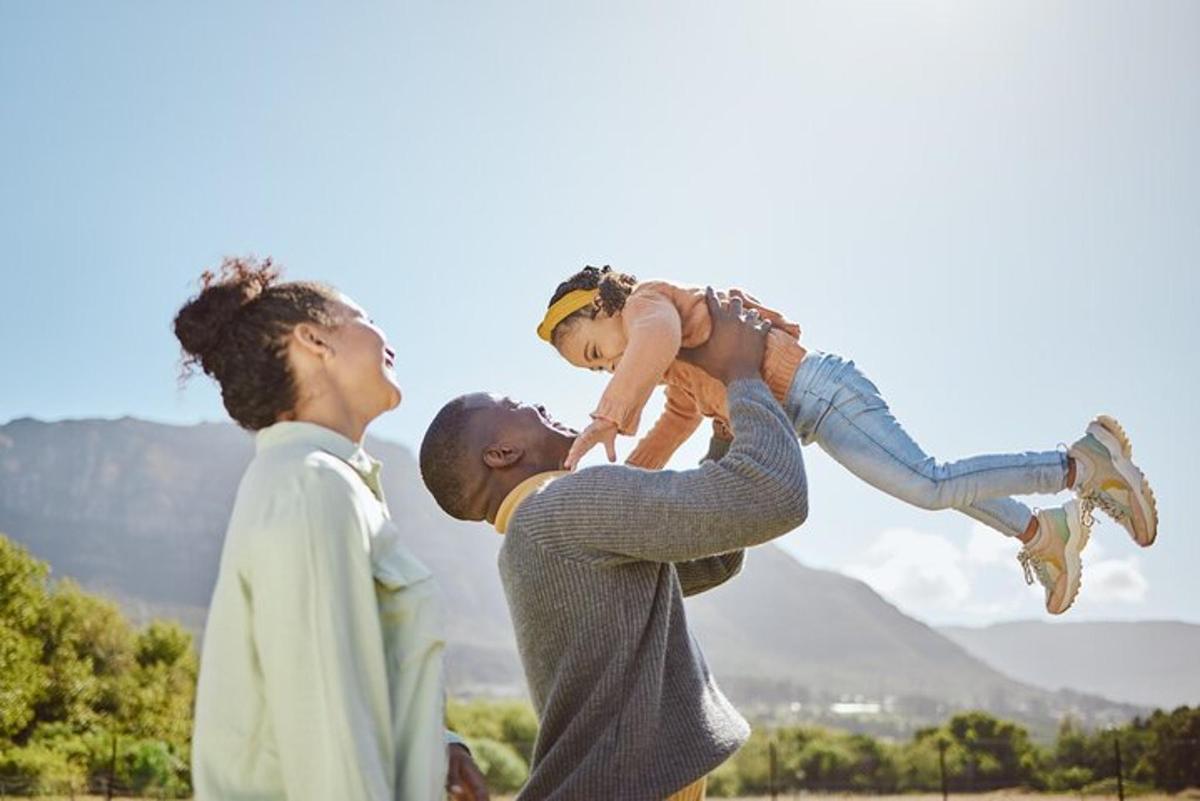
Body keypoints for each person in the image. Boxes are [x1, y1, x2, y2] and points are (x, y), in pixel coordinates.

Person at [535, 266, 1158, 614]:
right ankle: (1042, 532)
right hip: (811, 414)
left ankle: (1079, 466)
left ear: (606, 305)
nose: (605, 368)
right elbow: (674, 425)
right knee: (924, 481)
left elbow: (655, 336)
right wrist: (614, 487)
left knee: (929, 483)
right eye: (594, 370)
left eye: (595, 352)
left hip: (823, 390)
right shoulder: (673, 374)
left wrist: (608, 416)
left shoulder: (649, 304)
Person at [419, 292, 809, 800]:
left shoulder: (532, 538)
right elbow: (774, 496)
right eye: (520, 408)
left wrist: (722, 421)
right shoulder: (563, 506)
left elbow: (712, 557)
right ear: (501, 452)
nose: (540, 406)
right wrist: (740, 372)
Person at [174, 257, 487, 801]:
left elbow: (351, 684)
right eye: (363, 316)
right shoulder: (310, 487)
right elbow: (330, 737)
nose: (385, 336)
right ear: (314, 340)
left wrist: (438, 746)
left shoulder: (326, 484)